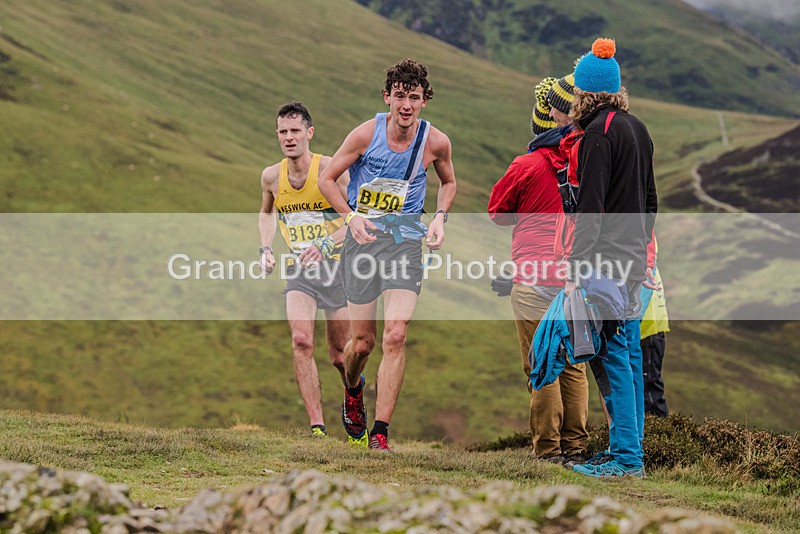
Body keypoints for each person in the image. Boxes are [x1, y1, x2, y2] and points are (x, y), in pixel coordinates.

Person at [318, 58, 457, 451]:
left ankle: (380, 432)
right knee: (362, 344)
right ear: (387, 97)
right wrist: (349, 219)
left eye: (414, 97)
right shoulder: (365, 134)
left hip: (406, 243)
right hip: (363, 242)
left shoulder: (436, 142)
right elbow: (327, 179)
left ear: (424, 101)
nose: (406, 105)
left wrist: (440, 219)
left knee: (396, 335)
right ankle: (352, 387)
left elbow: (449, 182)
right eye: (399, 97)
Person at [564, 38, 658, 478]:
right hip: (634, 261)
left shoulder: (597, 136)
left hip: (606, 264)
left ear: (584, 92)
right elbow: (651, 200)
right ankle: (626, 448)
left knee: (613, 355)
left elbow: (592, 208)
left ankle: (626, 459)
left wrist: (576, 265)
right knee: (625, 354)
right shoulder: (637, 128)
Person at [488, 75, 587, 466]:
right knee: (573, 366)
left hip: (531, 280)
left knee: (541, 365)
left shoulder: (527, 164)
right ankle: (577, 447)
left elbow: (497, 212)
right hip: (572, 281)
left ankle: (548, 451)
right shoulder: (582, 161)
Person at [259, 101, 351, 437]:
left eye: (295, 130)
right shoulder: (271, 176)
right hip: (301, 271)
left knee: (341, 357)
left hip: (340, 268)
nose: (288, 137)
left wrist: (326, 244)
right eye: (283, 131)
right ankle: (317, 428)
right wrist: (266, 249)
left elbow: (356, 221)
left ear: (309, 133)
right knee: (301, 341)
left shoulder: (331, 170)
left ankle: (352, 395)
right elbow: (267, 212)